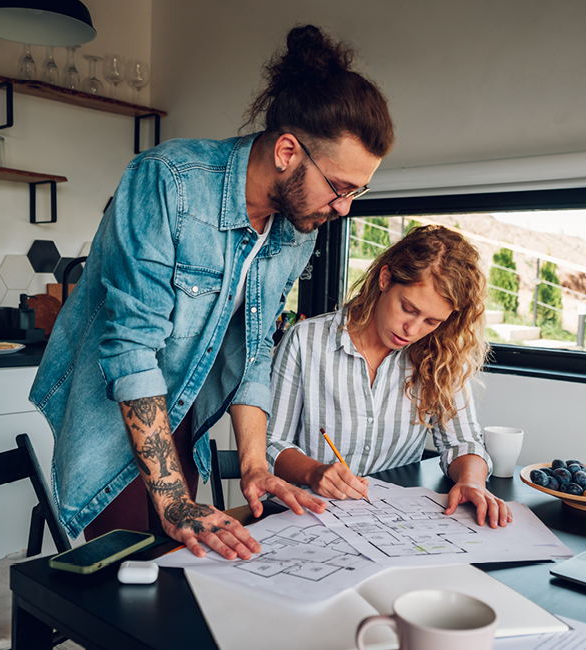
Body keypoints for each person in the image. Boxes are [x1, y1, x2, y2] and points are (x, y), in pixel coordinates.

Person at [30, 24, 394, 560]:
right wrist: (173, 499)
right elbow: (131, 348)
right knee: (132, 586)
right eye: (340, 188)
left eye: (357, 191)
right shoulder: (168, 182)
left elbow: (255, 349)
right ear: (288, 151)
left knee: (181, 573)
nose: (343, 208)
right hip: (114, 415)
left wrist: (254, 464)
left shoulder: (294, 229)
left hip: (180, 415)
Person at [266, 225, 512, 528]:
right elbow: (272, 444)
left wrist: (472, 481)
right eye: (408, 308)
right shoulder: (306, 340)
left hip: (390, 522)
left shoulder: (441, 355)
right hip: (308, 515)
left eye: (431, 321)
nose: (413, 329)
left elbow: (462, 443)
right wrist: (313, 472)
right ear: (385, 279)